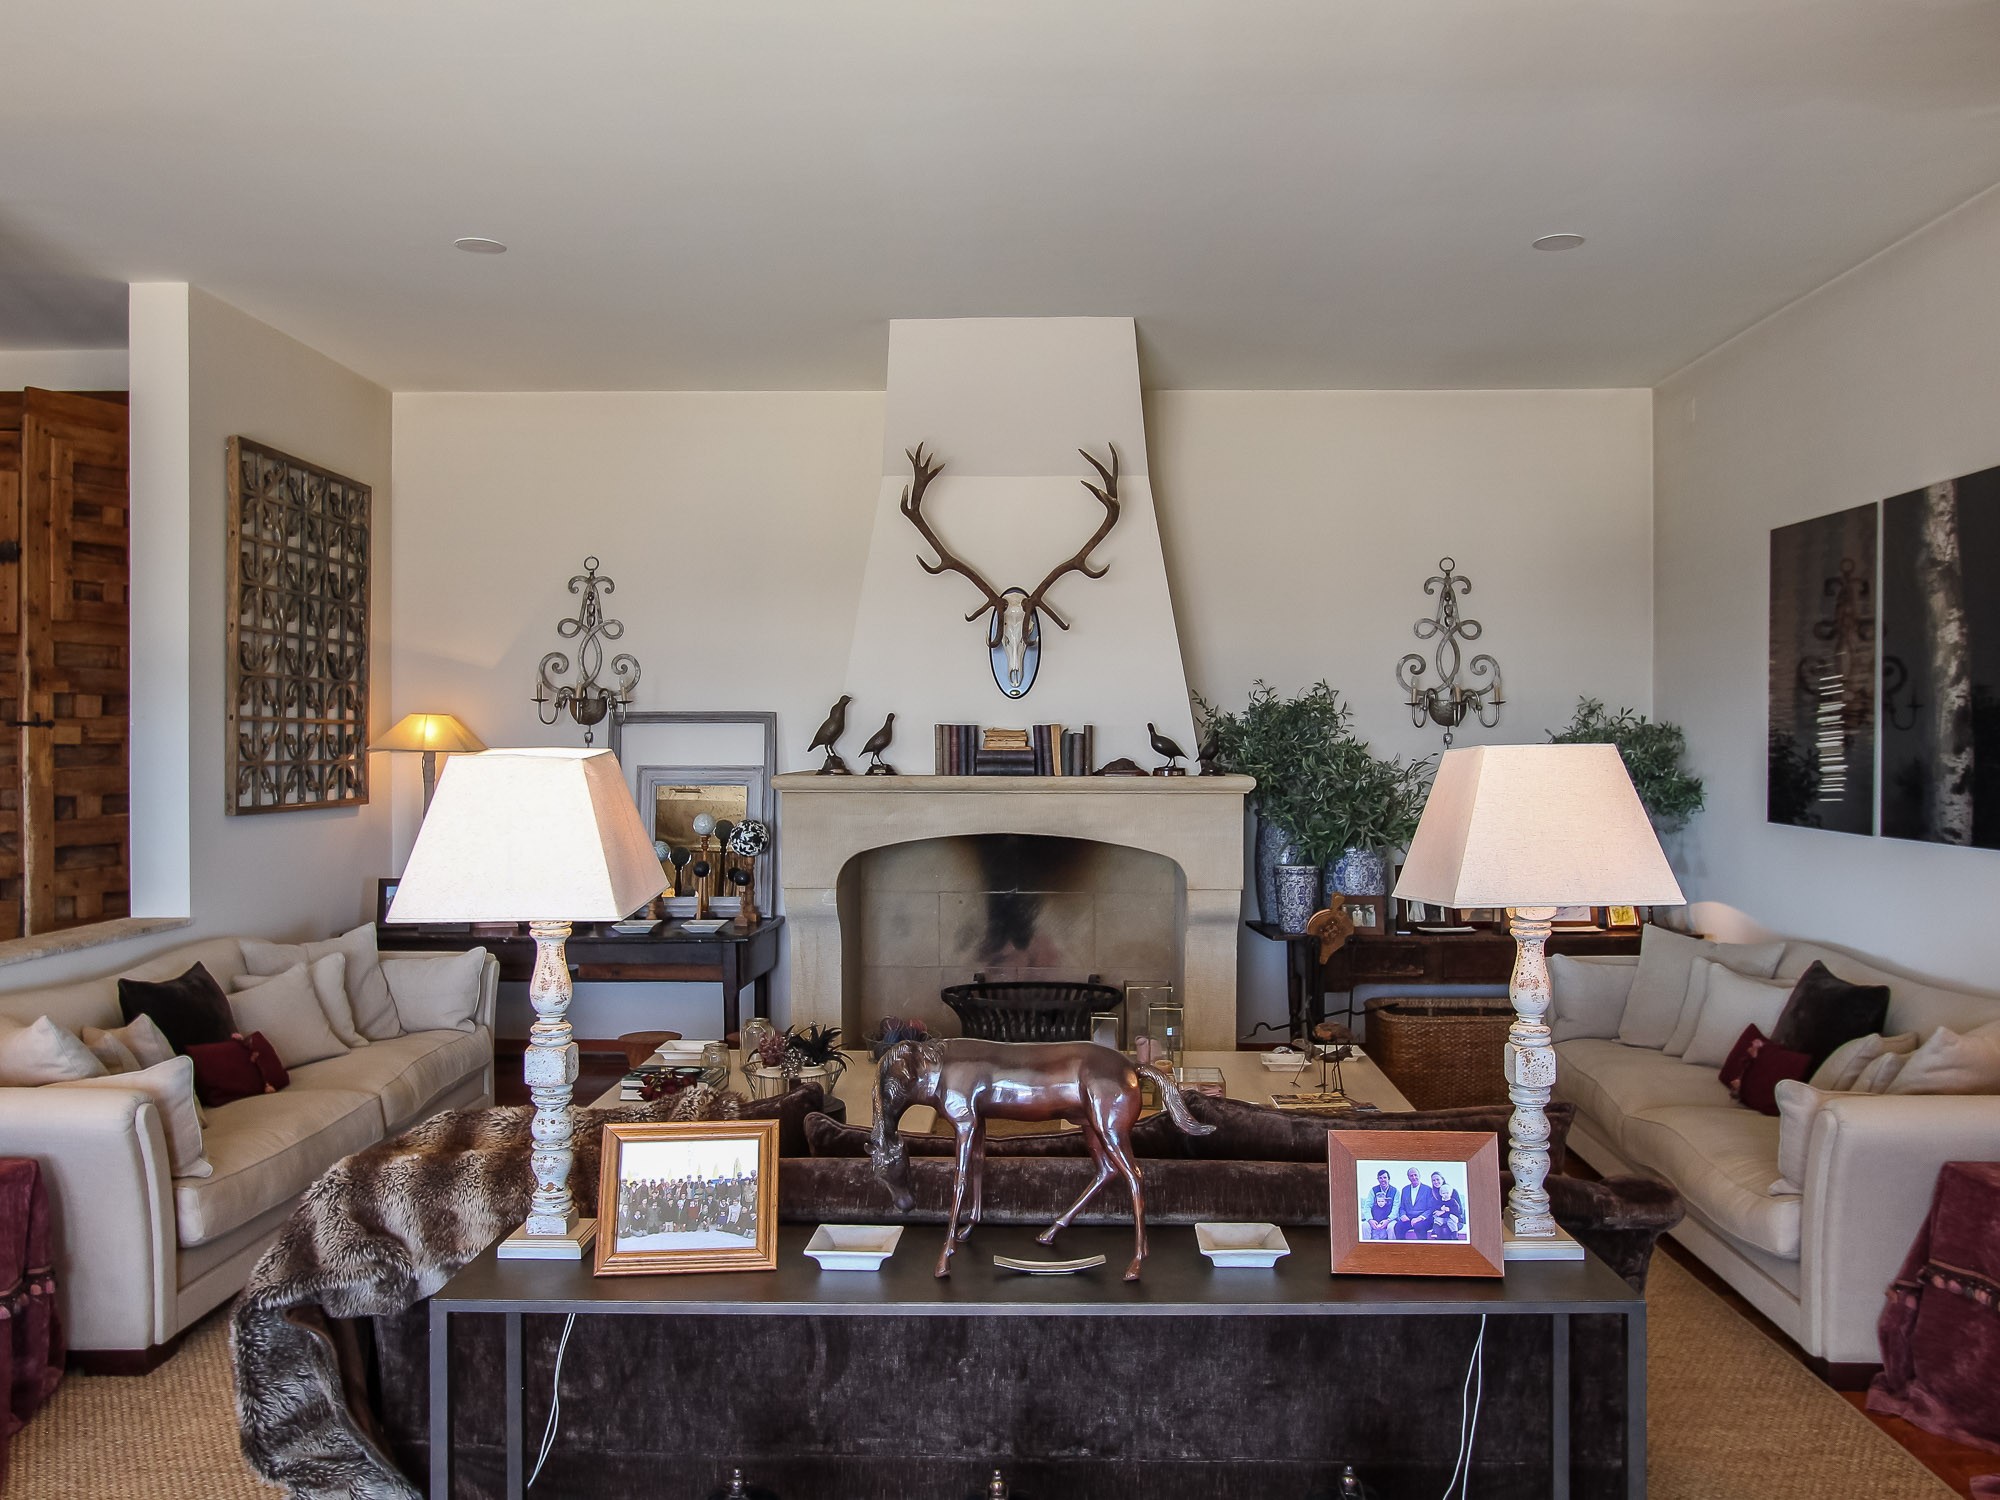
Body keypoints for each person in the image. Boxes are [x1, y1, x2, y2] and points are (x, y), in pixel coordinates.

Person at [1394, 1166, 1436, 1240]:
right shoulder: (1405, 1190)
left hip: (1423, 1219)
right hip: (1409, 1219)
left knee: (1419, 1226)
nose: (1414, 1177)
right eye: (1411, 1176)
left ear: (1419, 1175)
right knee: (1398, 1226)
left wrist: (1420, 1218)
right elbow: (1402, 1207)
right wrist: (1403, 1215)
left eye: (1415, 1175)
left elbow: (1430, 1208)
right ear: (1408, 1177)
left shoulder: (1428, 1189)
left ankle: (1422, 1246)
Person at [1429, 1171, 1467, 1241]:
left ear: (1442, 1179)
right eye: (1433, 1180)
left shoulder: (1452, 1191)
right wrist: (1439, 1212)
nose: (1436, 1182)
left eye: (1438, 1179)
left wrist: (1443, 1212)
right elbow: (1433, 1209)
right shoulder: (1433, 1193)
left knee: (1446, 1229)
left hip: (1454, 1219)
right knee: (1437, 1228)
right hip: (1441, 1219)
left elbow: (1459, 1211)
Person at [1365, 1169, 1397, 1240]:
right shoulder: (1373, 1190)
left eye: (1385, 1177)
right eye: (1380, 1178)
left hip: (1390, 1220)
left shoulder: (1395, 1191)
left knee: (1391, 1227)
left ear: (1389, 1179)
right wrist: (1370, 1220)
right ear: (1378, 1179)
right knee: (1364, 1226)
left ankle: (1392, 1245)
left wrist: (1388, 1220)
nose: (1383, 1180)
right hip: (1375, 1218)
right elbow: (1367, 1206)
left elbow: (1396, 1208)